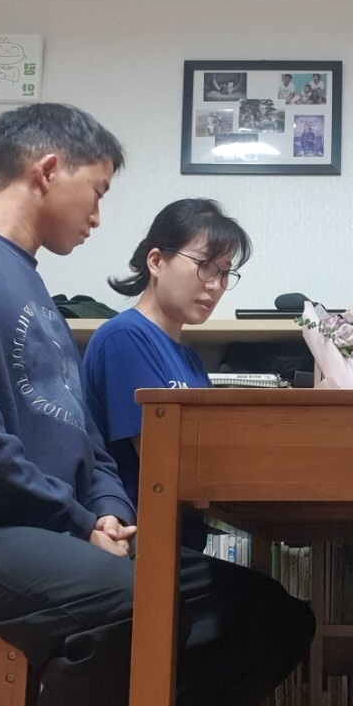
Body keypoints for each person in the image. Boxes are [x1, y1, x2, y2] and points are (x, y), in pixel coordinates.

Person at [0, 103, 314, 706]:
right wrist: (76, 521)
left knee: (268, 615)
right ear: (48, 170)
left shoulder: (40, 298)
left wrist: (110, 513)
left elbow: (88, 443)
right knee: (138, 602)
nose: (98, 215)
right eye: (99, 191)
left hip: (48, 533)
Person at [82, 198, 250, 551]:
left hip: (181, 542)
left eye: (224, 272)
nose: (215, 285)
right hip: (139, 543)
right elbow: (170, 466)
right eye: (204, 266)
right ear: (156, 261)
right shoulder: (124, 338)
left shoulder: (189, 359)